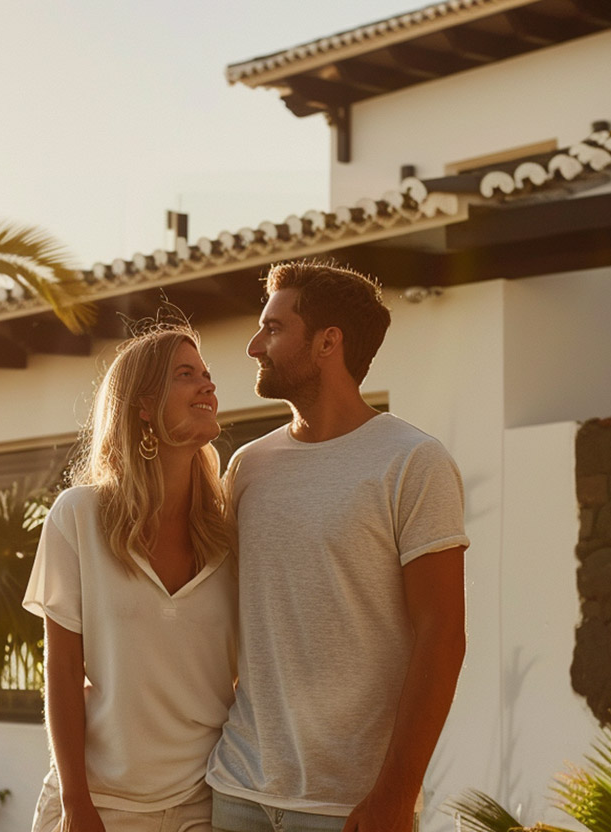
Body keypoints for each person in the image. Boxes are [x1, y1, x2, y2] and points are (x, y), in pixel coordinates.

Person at [205, 259, 469, 832]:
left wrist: (396, 794)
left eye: (274, 328)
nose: (254, 346)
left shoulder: (413, 462)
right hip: (236, 790)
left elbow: (443, 636)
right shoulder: (248, 466)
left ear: (328, 342)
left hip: (349, 807)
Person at [23, 320, 238, 832]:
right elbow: (63, 671)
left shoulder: (231, 530)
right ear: (143, 405)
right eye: (185, 374)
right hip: (98, 804)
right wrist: (76, 803)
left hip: (203, 804)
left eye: (206, 373)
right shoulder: (78, 516)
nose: (207, 384)